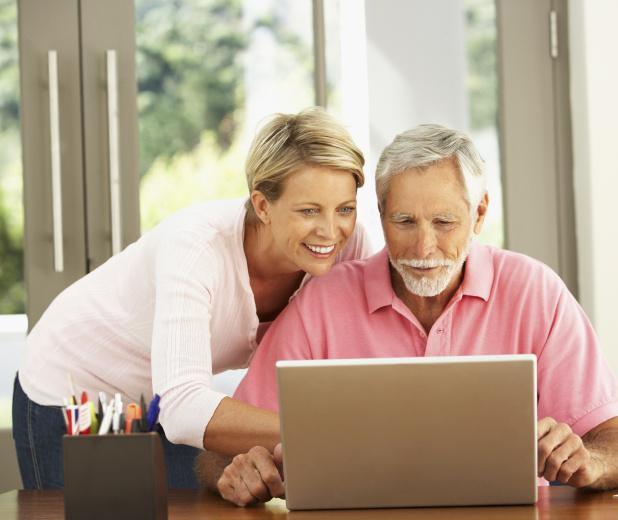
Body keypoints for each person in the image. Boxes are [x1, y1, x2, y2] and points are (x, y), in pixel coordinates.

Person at [197, 123, 618, 506]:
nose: (423, 248)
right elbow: (214, 455)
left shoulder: (536, 292)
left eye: (445, 222)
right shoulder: (322, 303)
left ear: (480, 213)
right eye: (405, 221)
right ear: (380, 215)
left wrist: (592, 460)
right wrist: (237, 471)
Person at [13, 107, 374, 489]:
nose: (331, 230)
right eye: (309, 211)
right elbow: (183, 406)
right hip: (77, 393)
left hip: (161, 398)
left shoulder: (347, 248)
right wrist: (327, 435)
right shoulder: (197, 249)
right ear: (263, 205)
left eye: (345, 209)